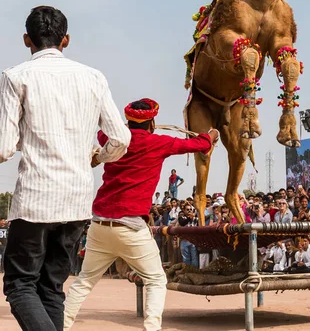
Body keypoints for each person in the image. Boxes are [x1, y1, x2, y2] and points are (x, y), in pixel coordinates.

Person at [0, 6, 131, 331]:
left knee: (19, 285)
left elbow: (4, 146)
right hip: (76, 202)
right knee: (51, 288)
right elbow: (120, 138)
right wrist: (98, 156)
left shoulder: (16, 77)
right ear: (66, 40)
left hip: (35, 200)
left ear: (27, 39)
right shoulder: (93, 77)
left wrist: (23, 140)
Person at [63, 98, 218, 331]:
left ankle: (60, 325)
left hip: (99, 224)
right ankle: (152, 328)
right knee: (156, 280)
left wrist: (123, 130)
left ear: (128, 120)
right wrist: (211, 135)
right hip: (131, 227)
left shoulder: (114, 140)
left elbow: (102, 135)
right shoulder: (158, 142)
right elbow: (198, 145)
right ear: (152, 122)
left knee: (84, 281)